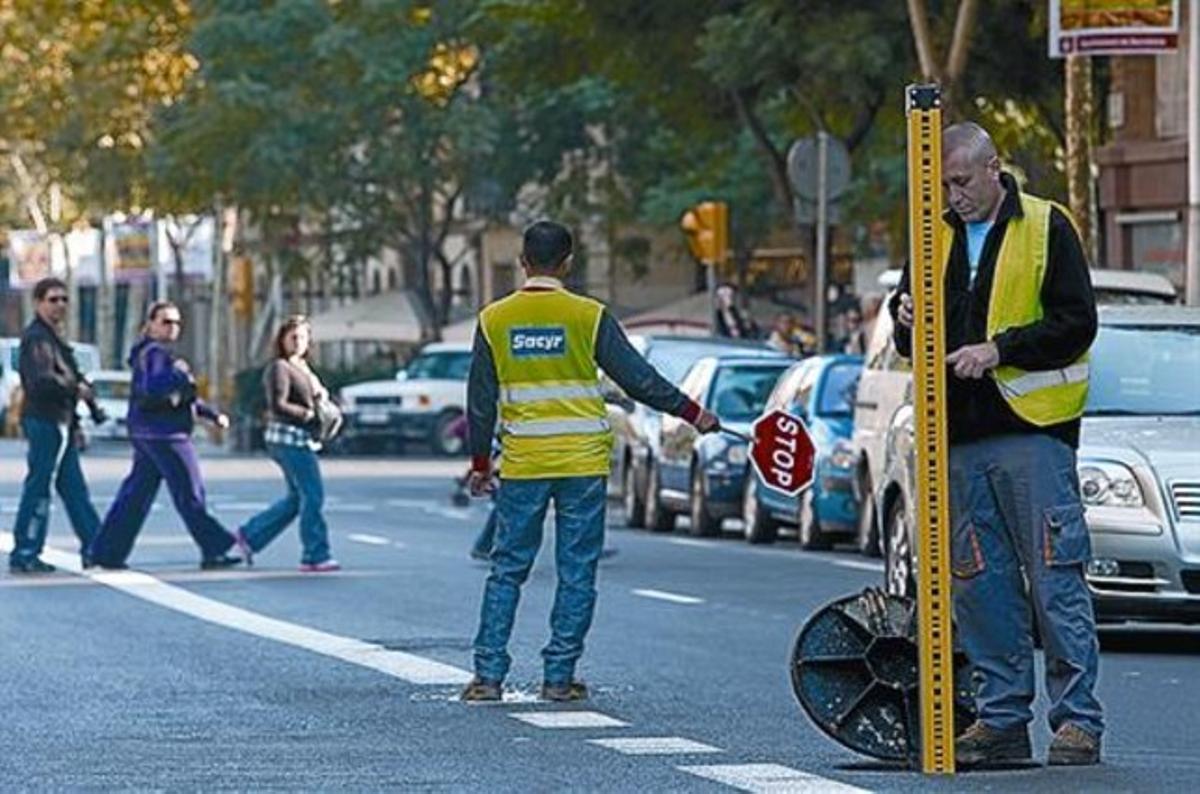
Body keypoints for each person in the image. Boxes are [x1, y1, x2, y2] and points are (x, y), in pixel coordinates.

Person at [891, 122, 1102, 766]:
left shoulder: (1045, 224)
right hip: (957, 435)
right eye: (943, 184)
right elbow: (910, 340)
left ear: (993, 168)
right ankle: (1002, 719)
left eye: (961, 181)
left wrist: (1000, 350)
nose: (953, 195)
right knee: (979, 587)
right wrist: (903, 318)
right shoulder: (931, 236)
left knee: (1053, 580)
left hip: (1031, 434)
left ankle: (1077, 723)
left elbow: (1076, 325)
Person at [461, 221, 719, 703]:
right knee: (576, 571)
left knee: (507, 570)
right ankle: (558, 678)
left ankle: (487, 678)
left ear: (522, 263)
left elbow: (479, 400)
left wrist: (481, 464)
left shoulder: (494, 319)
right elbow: (640, 380)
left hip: (524, 464)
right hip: (582, 463)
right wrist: (693, 413)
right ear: (569, 263)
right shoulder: (588, 315)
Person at [86, 301, 242, 571]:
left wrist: (210, 414)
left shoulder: (149, 353)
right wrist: (183, 381)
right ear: (150, 325)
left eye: (177, 322)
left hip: (149, 433)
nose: (173, 327)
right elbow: (157, 390)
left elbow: (177, 396)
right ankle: (214, 547)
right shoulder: (157, 354)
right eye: (166, 322)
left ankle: (105, 552)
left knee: (135, 496)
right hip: (167, 435)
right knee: (190, 493)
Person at [8, 278, 101, 573]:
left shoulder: (52, 338)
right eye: (53, 299)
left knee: (74, 490)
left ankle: (97, 547)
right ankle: (25, 551)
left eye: (64, 299)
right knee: (39, 488)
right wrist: (76, 388)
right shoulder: (37, 338)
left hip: (62, 421)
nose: (60, 305)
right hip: (45, 421)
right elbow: (40, 382)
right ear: (38, 303)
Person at [233, 316, 339, 572]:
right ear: (281, 339)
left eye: (302, 337)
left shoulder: (302, 367)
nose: (298, 342)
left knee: (296, 499)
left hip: (303, 438)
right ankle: (315, 554)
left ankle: (250, 536)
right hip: (287, 438)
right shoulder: (279, 367)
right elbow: (278, 404)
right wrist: (308, 415)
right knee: (313, 495)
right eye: (292, 337)